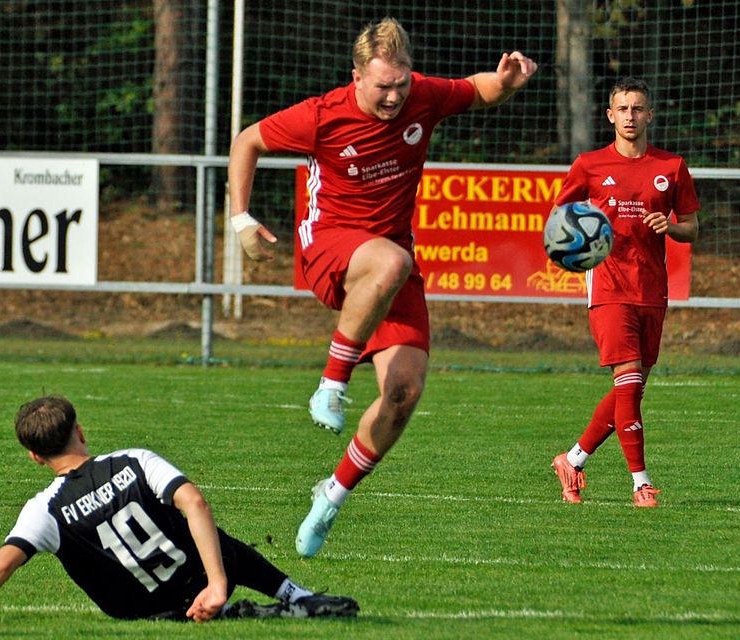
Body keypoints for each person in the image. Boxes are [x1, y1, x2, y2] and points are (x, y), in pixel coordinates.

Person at [227, 17, 537, 557]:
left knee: (404, 393)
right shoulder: (322, 115)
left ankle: (331, 496)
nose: (393, 97)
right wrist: (240, 221)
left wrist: (507, 82)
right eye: (382, 87)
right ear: (356, 77)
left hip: (390, 259)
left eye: (401, 84)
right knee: (392, 261)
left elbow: (477, 89)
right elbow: (246, 141)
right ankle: (332, 382)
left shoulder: (423, 96)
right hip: (329, 245)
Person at [0, 395, 359, 622]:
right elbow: (195, 502)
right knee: (211, 537)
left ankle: (217, 610)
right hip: (196, 578)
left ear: (34, 456)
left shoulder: (43, 510)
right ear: (80, 432)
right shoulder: (134, 460)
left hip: (138, 610)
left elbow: (2, 564)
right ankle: (292, 596)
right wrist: (219, 583)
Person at [551, 77, 700, 508]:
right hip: (609, 285)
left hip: (652, 288)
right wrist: (586, 231)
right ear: (610, 115)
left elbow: (692, 226)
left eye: (638, 109)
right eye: (623, 109)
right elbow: (560, 218)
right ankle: (641, 484)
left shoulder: (671, 166)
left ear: (649, 114)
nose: (630, 116)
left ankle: (573, 460)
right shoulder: (589, 165)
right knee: (629, 381)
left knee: (628, 389)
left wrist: (670, 227)